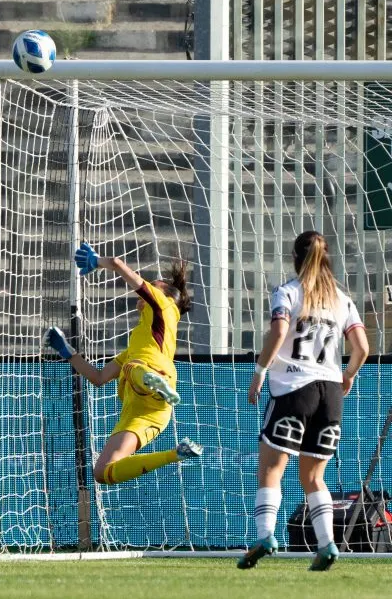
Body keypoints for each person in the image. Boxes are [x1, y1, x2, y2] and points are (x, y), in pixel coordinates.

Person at [239, 231, 368, 572]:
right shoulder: (343, 300)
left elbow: (280, 332)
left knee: (270, 469)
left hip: (295, 389)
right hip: (330, 394)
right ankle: (326, 545)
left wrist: (260, 372)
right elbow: (362, 348)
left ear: (295, 258)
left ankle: (265, 536)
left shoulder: (288, 292)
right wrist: (349, 375)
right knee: (313, 476)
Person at [44, 243, 203, 486]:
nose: (148, 287)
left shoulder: (163, 304)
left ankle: (151, 382)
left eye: (155, 284)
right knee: (103, 472)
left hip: (151, 372)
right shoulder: (137, 345)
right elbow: (98, 377)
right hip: (150, 414)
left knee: (133, 369)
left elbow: (118, 264)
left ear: (165, 293)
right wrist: (67, 352)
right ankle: (176, 453)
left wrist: (98, 261)